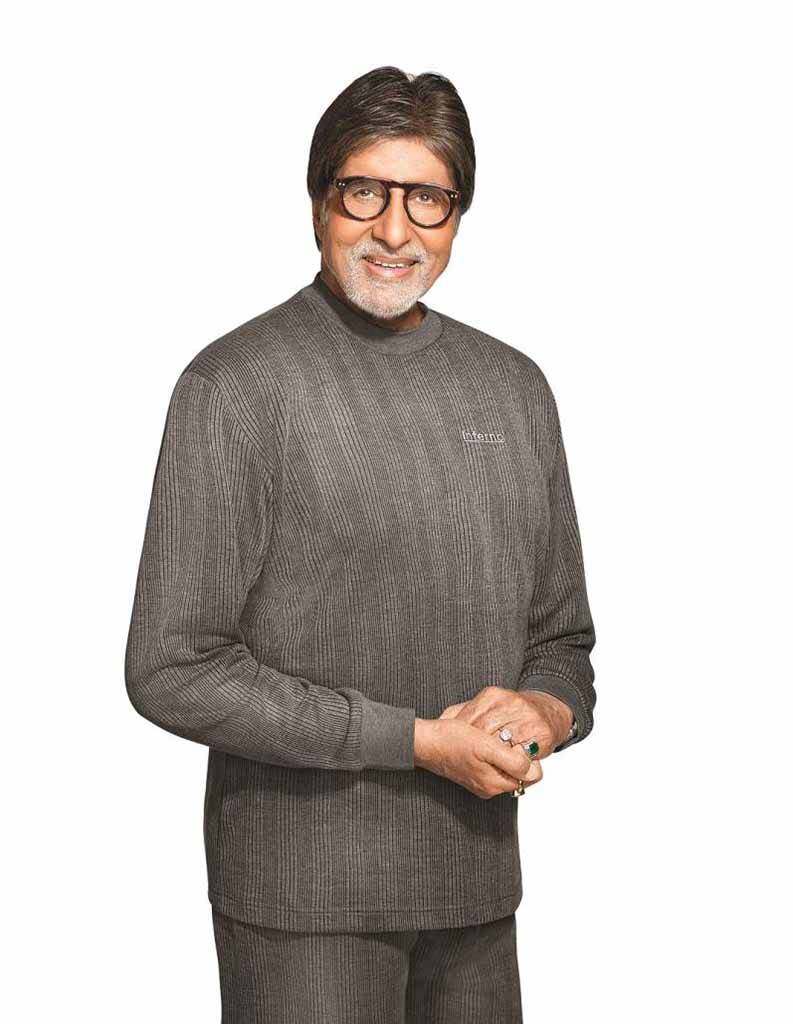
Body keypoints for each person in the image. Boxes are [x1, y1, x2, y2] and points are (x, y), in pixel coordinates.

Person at [125, 65, 597, 1024]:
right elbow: (172, 668)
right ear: (317, 202)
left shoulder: (514, 389)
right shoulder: (234, 388)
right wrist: (414, 743)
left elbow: (562, 644)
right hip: (301, 907)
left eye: (427, 199)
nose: (394, 230)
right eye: (363, 193)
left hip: (475, 890)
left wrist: (544, 711)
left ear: (457, 216)